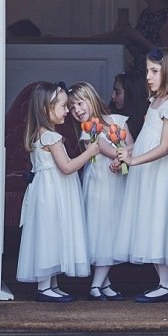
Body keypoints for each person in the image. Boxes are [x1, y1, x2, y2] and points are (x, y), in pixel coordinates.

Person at [114, 46, 168, 303]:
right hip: (147, 171)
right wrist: (125, 152)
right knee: (149, 219)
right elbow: (146, 138)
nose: (148, 76)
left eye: (155, 71)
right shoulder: (154, 102)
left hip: (162, 173)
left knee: (161, 219)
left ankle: (167, 284)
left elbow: (165, 146)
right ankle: (163, 282)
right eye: (148, 71)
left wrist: (134, 160)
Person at [16, 80, 100, 302]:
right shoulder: (51, 137)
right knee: (49, 235)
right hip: (51, 193)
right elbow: (67, 167)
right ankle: (44, 287)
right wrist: (92, 150)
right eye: (63, 106)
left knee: (51, 235)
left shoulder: (40, 133)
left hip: (47, 191)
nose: (67, 111)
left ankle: (51, 284)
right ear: (46, 109)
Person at [68, 81, 134, 301]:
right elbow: (103, 149)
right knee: (101, 229)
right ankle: (96, 285)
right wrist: (118, 154)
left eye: (79, 103)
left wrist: (124, 155)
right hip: (98, 184)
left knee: (111, 229)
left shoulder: (117, 121)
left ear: (91, 98)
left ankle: (104, 284)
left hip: (115, 183)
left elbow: (133, 144)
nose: (77, 110)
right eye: (72, 107)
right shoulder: (88, 132)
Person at [109, 71, 147, 140]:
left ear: (130, 94)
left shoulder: (145, 119)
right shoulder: (111, 115)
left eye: (117, 92)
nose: (112, 95)